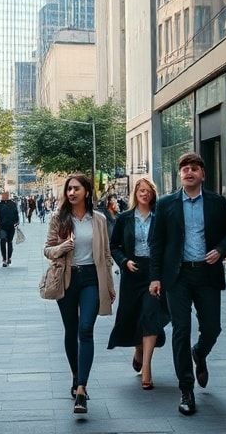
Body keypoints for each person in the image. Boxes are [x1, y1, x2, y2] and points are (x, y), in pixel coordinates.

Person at [149, 152, 226, 417]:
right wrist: (155, 277)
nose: (189, 172)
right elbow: (156, 243)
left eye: (194, 169)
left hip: (207, 273)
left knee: (212, 327)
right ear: (180, 175)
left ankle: (199, 352)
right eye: (184, 169)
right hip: (178, 276)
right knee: (181, 329)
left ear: (202, 174)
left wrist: (220, 249)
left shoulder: (217, 202)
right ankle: (186, 389)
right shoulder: (165, 204)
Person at [44, 173, 115, 417]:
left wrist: (110, 285)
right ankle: (75, 376)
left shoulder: (99, 220)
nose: (71, 193)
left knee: (86, 329)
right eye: (68, 189)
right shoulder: (58, 218)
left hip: (91, 279)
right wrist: (61, 248)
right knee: (71, 330)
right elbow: (47, 250)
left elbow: (106, 254)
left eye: (76, 188)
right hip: (67, 278)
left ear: (86, 191)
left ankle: (82, 388)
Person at [107, 177, 168, 390]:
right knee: (134, 315)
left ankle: (148, 368)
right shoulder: (124, 218)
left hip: (154, 272)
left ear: (152, 194)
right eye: (141, 190)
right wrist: (124, 262)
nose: (144, 194)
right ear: (136, 194)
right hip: (132, 273)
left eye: (148, 190)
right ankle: (139, 350)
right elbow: (113, 246)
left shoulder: (160, 217)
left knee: (150, 314)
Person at [0, 190, 20, 266]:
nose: (3, 196)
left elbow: (16, 214)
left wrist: (16, 221)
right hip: (2, 227)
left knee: (9, 242)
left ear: (7, 196)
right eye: (3, 195)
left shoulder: (12, 204)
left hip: (10, 226)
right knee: (3, 242)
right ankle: (4, 259)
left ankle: (8, 258)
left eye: (5, 195)